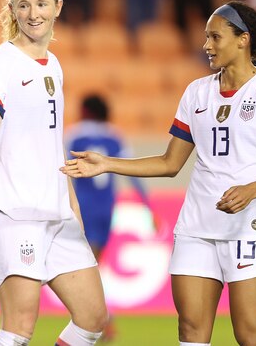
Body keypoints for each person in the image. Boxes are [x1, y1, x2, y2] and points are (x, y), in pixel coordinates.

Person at [62, 0, 256, 346]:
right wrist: (108, 163)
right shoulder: (197, 93)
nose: (207, 46)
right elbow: (170, 163)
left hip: (247, 227)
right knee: (190, 331)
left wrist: (252, 190)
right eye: (206, 37)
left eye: (215, 37)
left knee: (249, 336)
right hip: (196, 228)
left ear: (243, 39)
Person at [0, 0, 108, 346]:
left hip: (56, 213)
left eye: (41, 4)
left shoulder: (54, 65)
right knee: (19, 327)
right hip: (15, 212)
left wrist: (70, 203)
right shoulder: (1, 63)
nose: (33, 13)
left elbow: (52, 141)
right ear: (12, 10)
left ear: (58, 7)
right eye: (24, 5)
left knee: (93, 318)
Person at [65, 93, 153, 342]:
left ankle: (100, 319)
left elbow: (60, 168)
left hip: (82, 210)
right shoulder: (116, 137)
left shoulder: (75, 135)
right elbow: (133, 175)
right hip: (106, 210)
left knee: (84, 269)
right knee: (92, 267)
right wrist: (148, 208)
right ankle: (99, 319)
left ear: (85, 111)